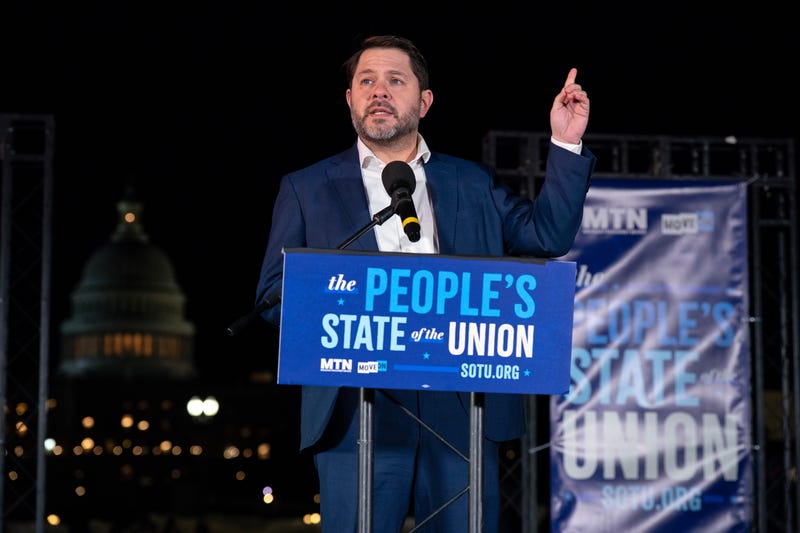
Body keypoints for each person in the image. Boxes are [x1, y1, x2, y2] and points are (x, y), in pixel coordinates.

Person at [255, 34, 595, 533]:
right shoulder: (306, 188)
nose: (379, 91)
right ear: (349, 98)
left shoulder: (471, 182)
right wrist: (350, 311)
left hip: (461, 400)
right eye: (365, 81)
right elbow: (272, 297)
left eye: (395, 80)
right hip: (356, 400)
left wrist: (565, 143)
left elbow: (548, 235)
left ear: (424, 101)